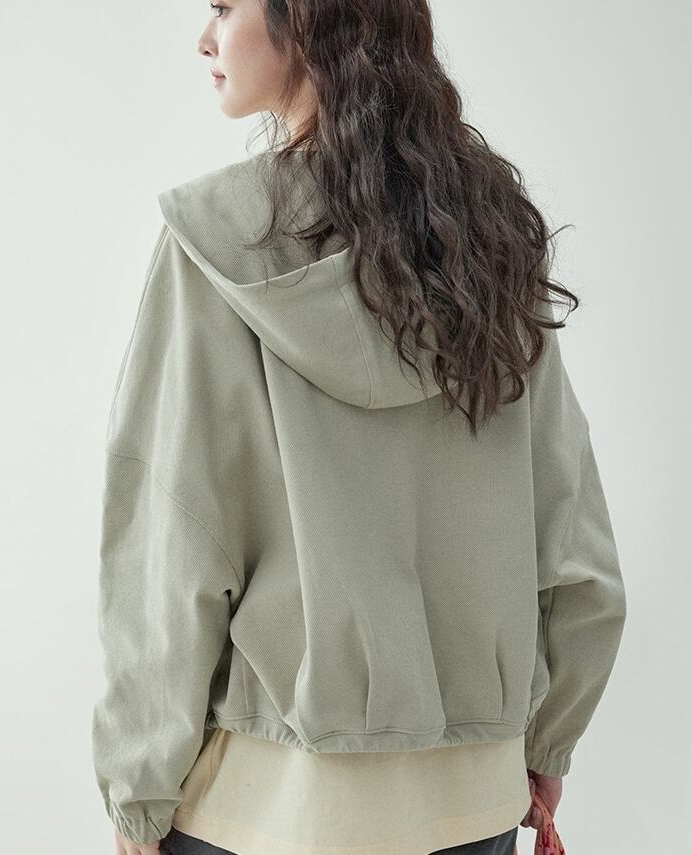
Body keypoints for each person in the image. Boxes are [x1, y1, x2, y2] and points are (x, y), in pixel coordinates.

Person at [90, 1, 628, 854]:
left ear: (304, 19)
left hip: (268, 803)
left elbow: (174, 539)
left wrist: (137, 789)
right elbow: (570, 533)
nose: (205, 37)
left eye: (224, 6)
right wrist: (544, 739)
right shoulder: (485, 243)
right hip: (474, 795)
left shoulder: (213, 246)